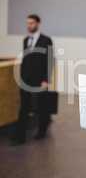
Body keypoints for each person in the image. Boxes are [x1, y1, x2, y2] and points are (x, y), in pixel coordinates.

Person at [11, 14, 54, 146]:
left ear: (38, 23)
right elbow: (25, 60)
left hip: (40, 79)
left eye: (31, 23)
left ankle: (42, 131)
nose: (29, 26)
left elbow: (49, 60)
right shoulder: (25, 40)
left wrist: (46, 79)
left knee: (41, 106)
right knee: (24, 107)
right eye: (27, 23)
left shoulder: (46, 40)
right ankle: (20, 136)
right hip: (26, 79)